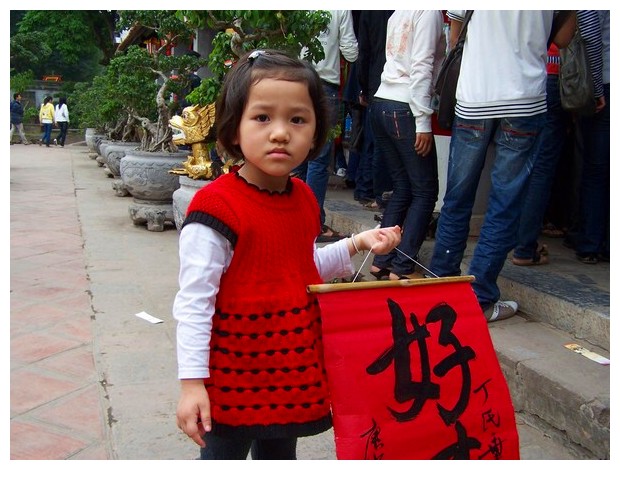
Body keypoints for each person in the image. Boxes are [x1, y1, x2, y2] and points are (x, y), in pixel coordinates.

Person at [173, 49, 401, 460]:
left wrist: (357, 243)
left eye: (297, 119)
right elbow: (195, 302)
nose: (280, 132)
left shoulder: (304, 200)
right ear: (233, 129)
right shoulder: (216, 208)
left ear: (316, 133)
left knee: (279, 458)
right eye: (262, 118)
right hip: (232, 378)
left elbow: (299, 270)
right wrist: (192, 383)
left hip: (288, 372)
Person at [429, 11, 576, 322]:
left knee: (457, 198)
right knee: (504, 204)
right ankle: (479, 297)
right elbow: (563, 39)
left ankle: (441, 288)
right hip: (524, 99)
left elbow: (456, 36)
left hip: (474, 98)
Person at [512, 11, 603, 267]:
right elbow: (590, 35)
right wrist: (596, 88)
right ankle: (525, 246)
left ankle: (519, 241)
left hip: (533, 75)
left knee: (529, 162)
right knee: (546, 165)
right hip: (563, 77)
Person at [368, 10, 445, 281]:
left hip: (382, 103)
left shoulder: (399, 11)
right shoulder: (429, 12)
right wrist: (423, 121)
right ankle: (403, 266)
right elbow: (421, 66)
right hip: (405, 108)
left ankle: (382, 260)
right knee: (425, 192)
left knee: (403, 188)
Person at [293, 10, 358, 242]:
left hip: (297, 81)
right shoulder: (341, 8)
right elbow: (351, 51)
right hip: (325, 86)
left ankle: (289, 217)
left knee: (296, 155)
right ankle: (312, 223)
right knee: (319, 160)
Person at [569, 10, 610, 264]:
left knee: (596, 167)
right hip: (605, 83)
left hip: (604, 83)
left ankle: (590, 241)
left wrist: (593, 88)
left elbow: (590, 33)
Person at [354, 10, 394, 209]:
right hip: (390, 82)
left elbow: (364, 51)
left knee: (372, 141)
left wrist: (362, 85)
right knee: (379, 144)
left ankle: (366, 189)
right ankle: (377, 193)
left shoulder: (370, 11)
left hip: (374, 80)